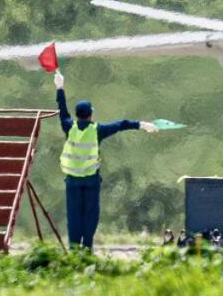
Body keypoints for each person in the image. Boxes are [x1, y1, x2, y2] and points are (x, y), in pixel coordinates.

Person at [54, 70, 157, 250]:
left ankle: (74, 249)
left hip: (72, 181)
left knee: (74, 216)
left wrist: (60, 88)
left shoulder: (69, 128)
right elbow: (121, 124)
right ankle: (87, 250)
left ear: (77, 115)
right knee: (90, 216)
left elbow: (62, 111)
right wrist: (142, 125)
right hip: (91, 181)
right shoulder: (97, 130)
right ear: (90, 114)